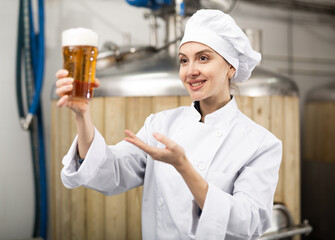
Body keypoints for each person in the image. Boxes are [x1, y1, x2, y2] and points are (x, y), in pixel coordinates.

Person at [57, 9, 282, 240]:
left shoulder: (260, 144)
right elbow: (109, 171)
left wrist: (183, 166)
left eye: (203, 58)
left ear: (231, 67)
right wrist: (82, 115)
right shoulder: (161, 124)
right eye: (184, 60)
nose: (191, 71)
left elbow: (249, 222)